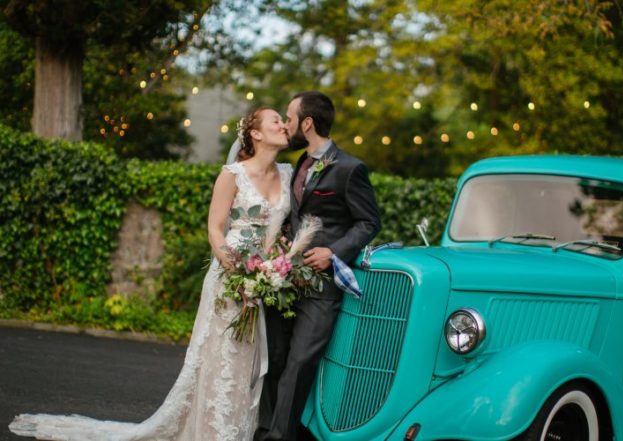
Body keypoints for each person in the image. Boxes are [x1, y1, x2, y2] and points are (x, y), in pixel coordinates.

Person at [9, 107, 293, 441]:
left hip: (267, 276)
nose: (284, 125)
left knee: (250, 359)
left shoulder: (288, 173)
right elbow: (215, 229)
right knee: (221, 356)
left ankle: (238, 430)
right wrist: (234, 266)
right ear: (256, 134)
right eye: (276, 120)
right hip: (231, 276)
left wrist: (273, 267)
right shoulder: (232, 174)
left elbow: (286, 229)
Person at [256, 91, 381, 441]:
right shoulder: (299, 163)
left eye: (290, 118)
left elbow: (369, 222)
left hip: (321, 287)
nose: (287, 124)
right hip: (285, 281)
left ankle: (278, 437)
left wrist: (333, 253)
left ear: (307, 123)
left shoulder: (350, 168)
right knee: (275, 359)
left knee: (299, 364)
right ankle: (267, 428)